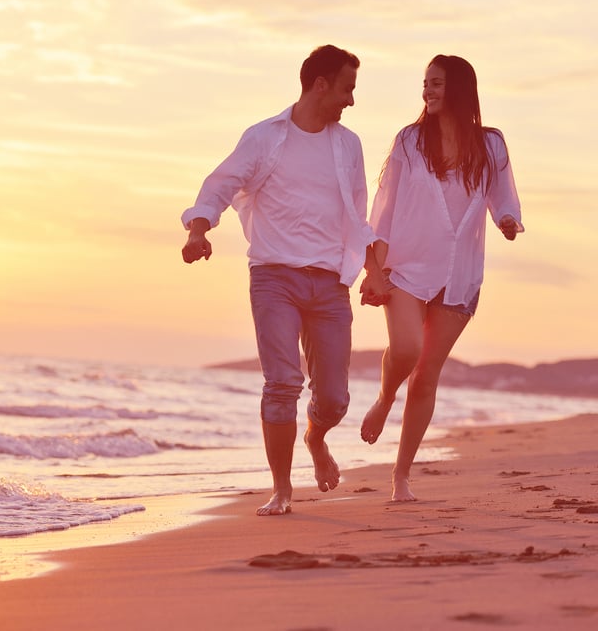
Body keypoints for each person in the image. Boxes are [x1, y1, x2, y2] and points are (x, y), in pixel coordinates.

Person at [181, 44, 383, 516]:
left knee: (333, 398)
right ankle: (282, 489)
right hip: (274, 277)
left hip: (330, 284)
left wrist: (374, 266)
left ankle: (317, 435)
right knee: (282, 383)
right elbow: (220, 184)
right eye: (347, 89)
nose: (351, 101)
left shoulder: (347, 145)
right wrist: (198, 229)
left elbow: (358, 212)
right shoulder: (264, 138)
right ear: (320, 85)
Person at [358, 54, 524, 502]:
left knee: (427, 375)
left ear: (459, 89)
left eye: (436, 83)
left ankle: (401, 476)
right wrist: (374, 266)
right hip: (408, 267)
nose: (427, 91)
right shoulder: (409, 141)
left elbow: (503, 197)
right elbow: (384, 207)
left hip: (460, 275)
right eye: (425, 83)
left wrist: (507, 220)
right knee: (408, 349)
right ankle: (385, 395)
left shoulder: (491, 145)